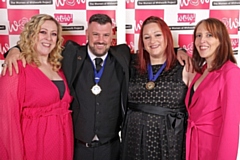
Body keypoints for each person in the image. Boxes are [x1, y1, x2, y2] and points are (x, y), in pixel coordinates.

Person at [2, 14, 192, 160]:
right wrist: (15, 50)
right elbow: (41, 43)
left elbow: (153, 50)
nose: (100, 40)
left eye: (106, 35)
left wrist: (178, 50)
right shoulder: (69, 54)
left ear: (113, 36)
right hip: (74, 148)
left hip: (111, 149)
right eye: (95, 34)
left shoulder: (124, 55)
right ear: (87, 34)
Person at [0, 14, 73, 160]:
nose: (49, 38)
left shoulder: (58, 67)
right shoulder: (16, 67)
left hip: (62, 144)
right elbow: (6, 120)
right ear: (32, 34)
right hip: (34, 146)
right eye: (43, 32)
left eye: (54, 34)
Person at [121, 16, 195, 160]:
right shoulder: (132, 64)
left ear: (167, 36)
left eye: (157, 35)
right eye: (146, 37)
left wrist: (178, 50)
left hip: (169, 139)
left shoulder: (184, 66)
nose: (152, 41)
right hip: (133, 138)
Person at [185, 18, 240, 160]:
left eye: (209, 35)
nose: (202, 40)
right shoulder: (201, 71)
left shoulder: (231, 72)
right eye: (198, 35)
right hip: (193, 145)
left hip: (212, 149)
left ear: (221, 40)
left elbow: (231, 125)